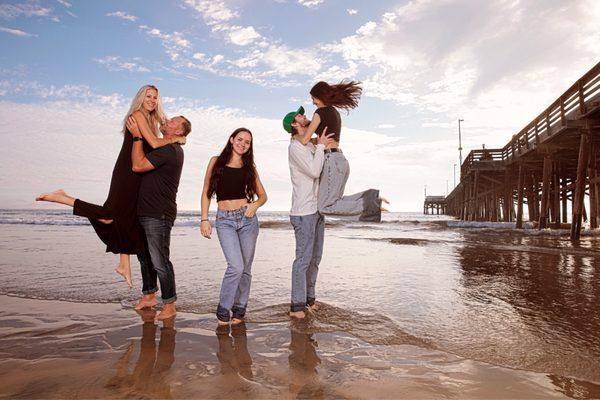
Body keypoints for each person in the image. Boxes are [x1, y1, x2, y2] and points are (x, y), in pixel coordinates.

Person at [35, 85, 185, 288]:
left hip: (138, 175)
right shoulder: (138, 114)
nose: (151, 100)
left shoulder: (153, 118)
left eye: (155, 97)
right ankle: (63, 197)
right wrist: (177, 138)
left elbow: (163, 129)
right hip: (127, 172)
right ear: (141, 98)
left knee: (127, 216)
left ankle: (124, 264)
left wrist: (173, 132)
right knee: (108, 215)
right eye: (148, 96)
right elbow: (154, 142)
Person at [286, 80, 386, 222]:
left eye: (313, 98)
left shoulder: (319, 113)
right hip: (340, 159)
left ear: (320, 96)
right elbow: (316, 140)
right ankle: (371, 198)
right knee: (335, 201)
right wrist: (308, 124)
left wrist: (296, 134)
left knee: (325, 207)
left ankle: (370, 204)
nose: (313, 102)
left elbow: (304, 140)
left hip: (331, 161)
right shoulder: (333, 112)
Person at [126, 114, 191, 320]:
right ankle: (149, 296)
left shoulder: (170, 150)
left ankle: (170, 305)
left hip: (159, 212)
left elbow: (138, 166)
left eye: (173, 122)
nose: (168, 121)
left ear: (179, 132)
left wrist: (137, 137)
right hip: (145, 210)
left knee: (159, 260)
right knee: (144, 257)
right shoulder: (164, 145)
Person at [200, 128, 267, 326]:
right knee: (235, 266)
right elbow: (206, 192)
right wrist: (205, 219)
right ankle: (223, 308)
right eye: (240, 139)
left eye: (247, 142)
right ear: (231, 140)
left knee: (245, 268)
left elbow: (263, 195)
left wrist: (255, 205)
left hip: (247, 220)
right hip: (225, 220)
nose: (243, 144)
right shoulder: (215, 161)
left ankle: (239, 308)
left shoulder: (249, 167)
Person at [283, 110, 334, 318]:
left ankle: (309, 300)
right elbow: (314, 171)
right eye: (300, 117)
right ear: (294, 125)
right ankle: (296, 307)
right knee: (303, 260)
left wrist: (320, 143)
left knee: (315, 259)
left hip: (317, 209)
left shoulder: (309, 145)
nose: (305, 118)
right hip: (303, 212)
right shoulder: (295, 148)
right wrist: (321, 145)